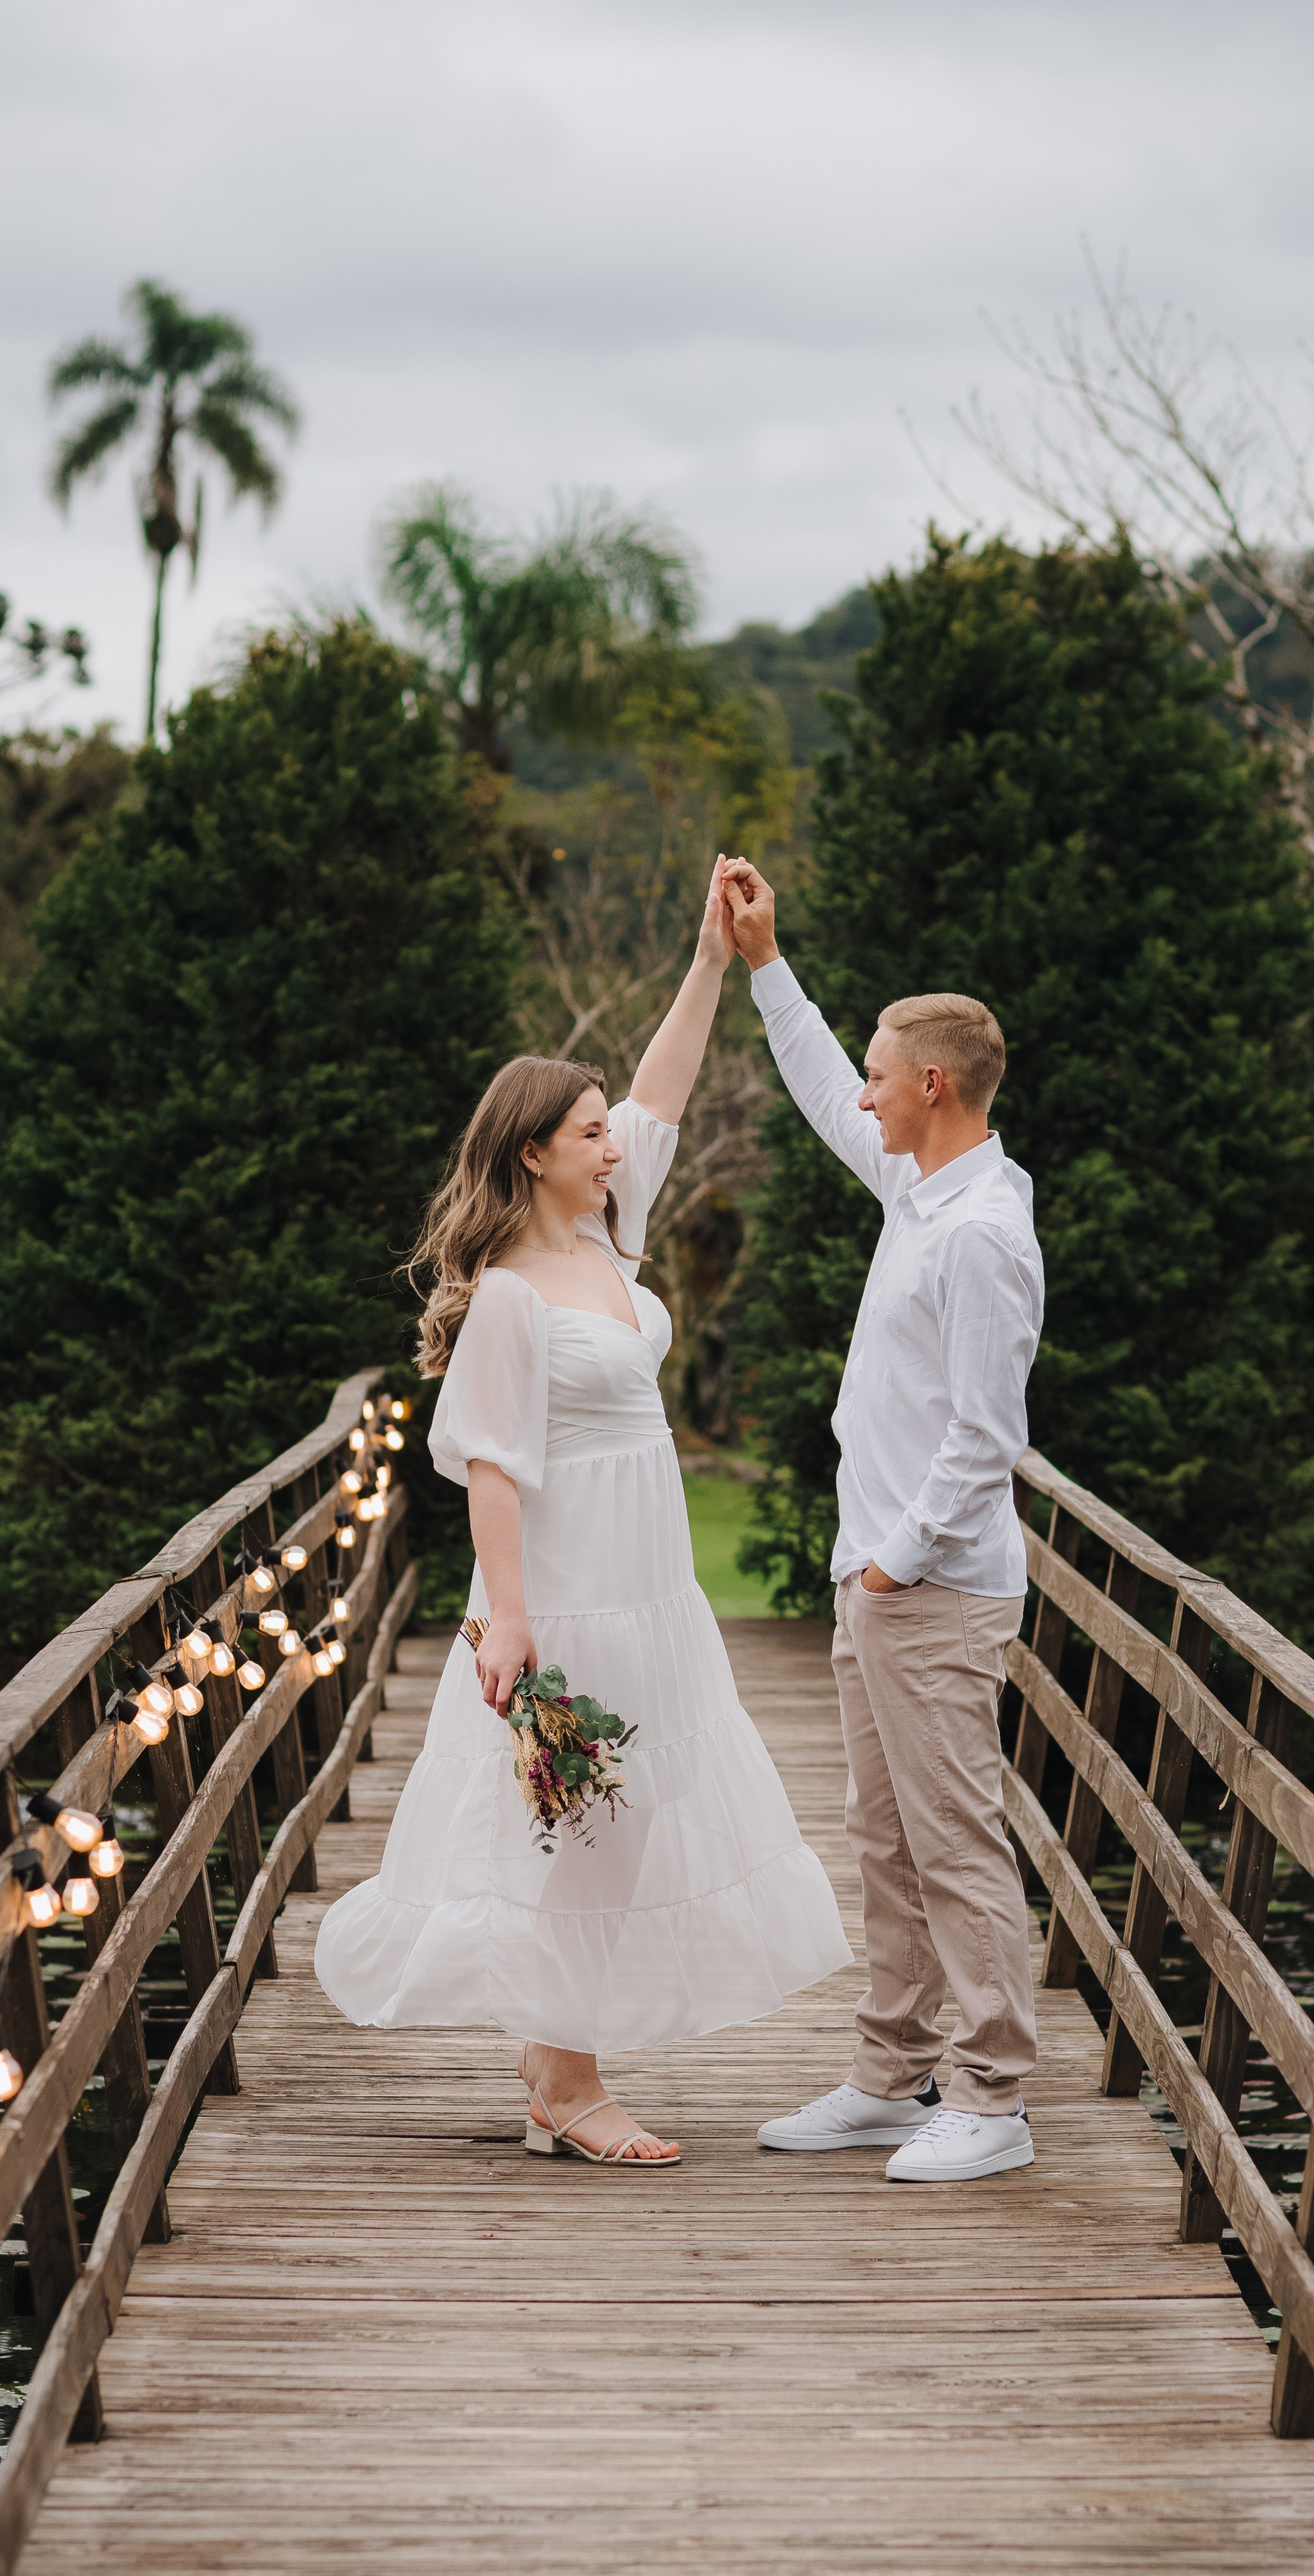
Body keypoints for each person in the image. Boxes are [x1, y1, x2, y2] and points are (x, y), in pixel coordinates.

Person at [314, 859, 851, 2165]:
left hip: (651, 1581)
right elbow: (490, 1464)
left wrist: (715, 958)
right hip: (564, 1585)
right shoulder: (507, 1293)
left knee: (615, 1808)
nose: (619, 1142)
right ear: (533, 1155)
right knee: (582, 1816)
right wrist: (509, 1623)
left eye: (613, 1130)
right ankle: (566, 2083)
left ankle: (558, 2061)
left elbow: (664, 1080)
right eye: (593, 1132)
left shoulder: (609, 1243)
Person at [733, 863, 1047, 2184]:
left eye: (880, 1070)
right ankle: (889, 2067)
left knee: (955, 1839)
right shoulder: (919, 1190)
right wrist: (764, 962)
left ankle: (992, 2097)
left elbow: (989, 1435)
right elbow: (816, 1091)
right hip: (880, 1589)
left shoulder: (980, 1232)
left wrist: (893, 1561)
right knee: (885, 1836)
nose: (862, 1088)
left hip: (934, 1587)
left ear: (934, 1086)